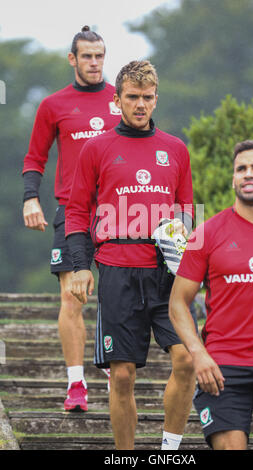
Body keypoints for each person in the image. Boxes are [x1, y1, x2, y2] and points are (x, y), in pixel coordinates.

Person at [65, 60, 197, 450]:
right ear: (117, 100)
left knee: (188, 359)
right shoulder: (96, 148)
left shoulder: (175, 149)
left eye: (148, 97)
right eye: (133, 97)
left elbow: (186, 206)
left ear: (157, 98)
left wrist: (180, 229)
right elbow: (76, 211)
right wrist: (79, 267)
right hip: (117, 270)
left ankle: (169, 450)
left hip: (166, 274)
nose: (141, 105)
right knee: (121, 375)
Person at [169, 140, 253, 450]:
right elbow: (177, 304)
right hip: (222, 369)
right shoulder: (207, 234)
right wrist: (198, 353)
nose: (248, 174)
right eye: (241, 169)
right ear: (233, 179)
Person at [22, 26, 121, 412]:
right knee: (71, 294)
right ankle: (76, 383)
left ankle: (118, 366)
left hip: (120, 212)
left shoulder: (123, 99)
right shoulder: (53, 105)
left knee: (119, 295)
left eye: (100, 55)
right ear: (72, 59)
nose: (95, 62)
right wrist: (31, 199)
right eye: (87, 56)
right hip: (73, 210)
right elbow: (35, 158)